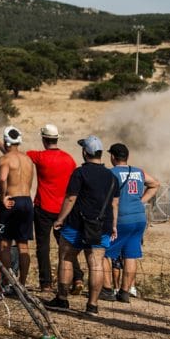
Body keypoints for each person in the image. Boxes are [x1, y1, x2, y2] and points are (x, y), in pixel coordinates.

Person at [45, 135, 119, 316]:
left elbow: (71, 198)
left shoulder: (80, 173)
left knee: (67, 258)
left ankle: (62, 299)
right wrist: (114, 226)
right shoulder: (111, 177)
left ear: (85, 152)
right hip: (102, 226)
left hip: (76, 225)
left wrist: (60, 219)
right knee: (96, 264)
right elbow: (114, 204)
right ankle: (92, 305)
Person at [26, 124, 83, 293]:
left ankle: (46, 283)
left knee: (43, 246)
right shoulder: (69, 159)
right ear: (57, 139)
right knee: (66, 245)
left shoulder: (38, 156)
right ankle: (78, 278)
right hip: (64, 210)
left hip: (43, 207)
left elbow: (14, 155)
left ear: (44, 139)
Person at [101, 143, 159, 303]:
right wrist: (141, 201)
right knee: (131, 255)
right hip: (139, 218)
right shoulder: (138, 172)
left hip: (120, 218)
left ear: (112, 157)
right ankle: (125, 292)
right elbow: (155, 184)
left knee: (104, 253)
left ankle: (107, 290)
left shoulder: (110, 173)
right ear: (127, 157)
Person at [0, 124, 35, 288]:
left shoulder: (4, 159)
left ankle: (6, 281)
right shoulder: (28, 160)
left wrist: (3, 197)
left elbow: (3, 178)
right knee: (23, 245)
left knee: (5, 244)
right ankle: (22, 283)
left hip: (12, 201)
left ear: (6, 142)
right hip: (27, 201)